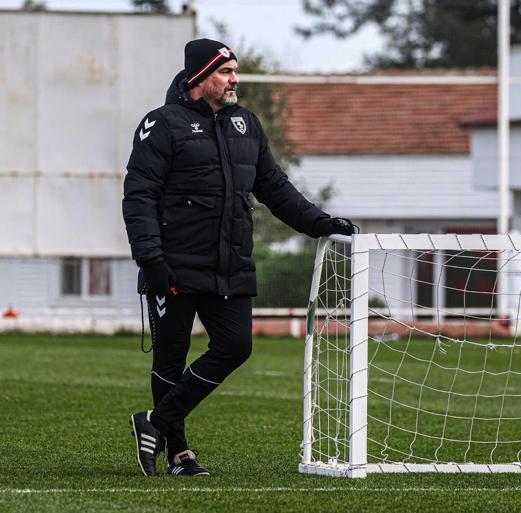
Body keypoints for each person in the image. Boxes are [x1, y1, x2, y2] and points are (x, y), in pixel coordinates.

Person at [122, 38, 354, 477]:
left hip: (229, 265)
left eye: (234, 72)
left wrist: (320, 222)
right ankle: (179, 455)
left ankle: (154, 421)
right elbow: (139, 197)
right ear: (200, 77)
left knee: (236, 346)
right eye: (226, 72)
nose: (235, 80)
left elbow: (274, 187)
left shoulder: (246, 124)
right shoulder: (161, 124)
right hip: (172, 265)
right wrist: (151, 259)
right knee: (169, 360)